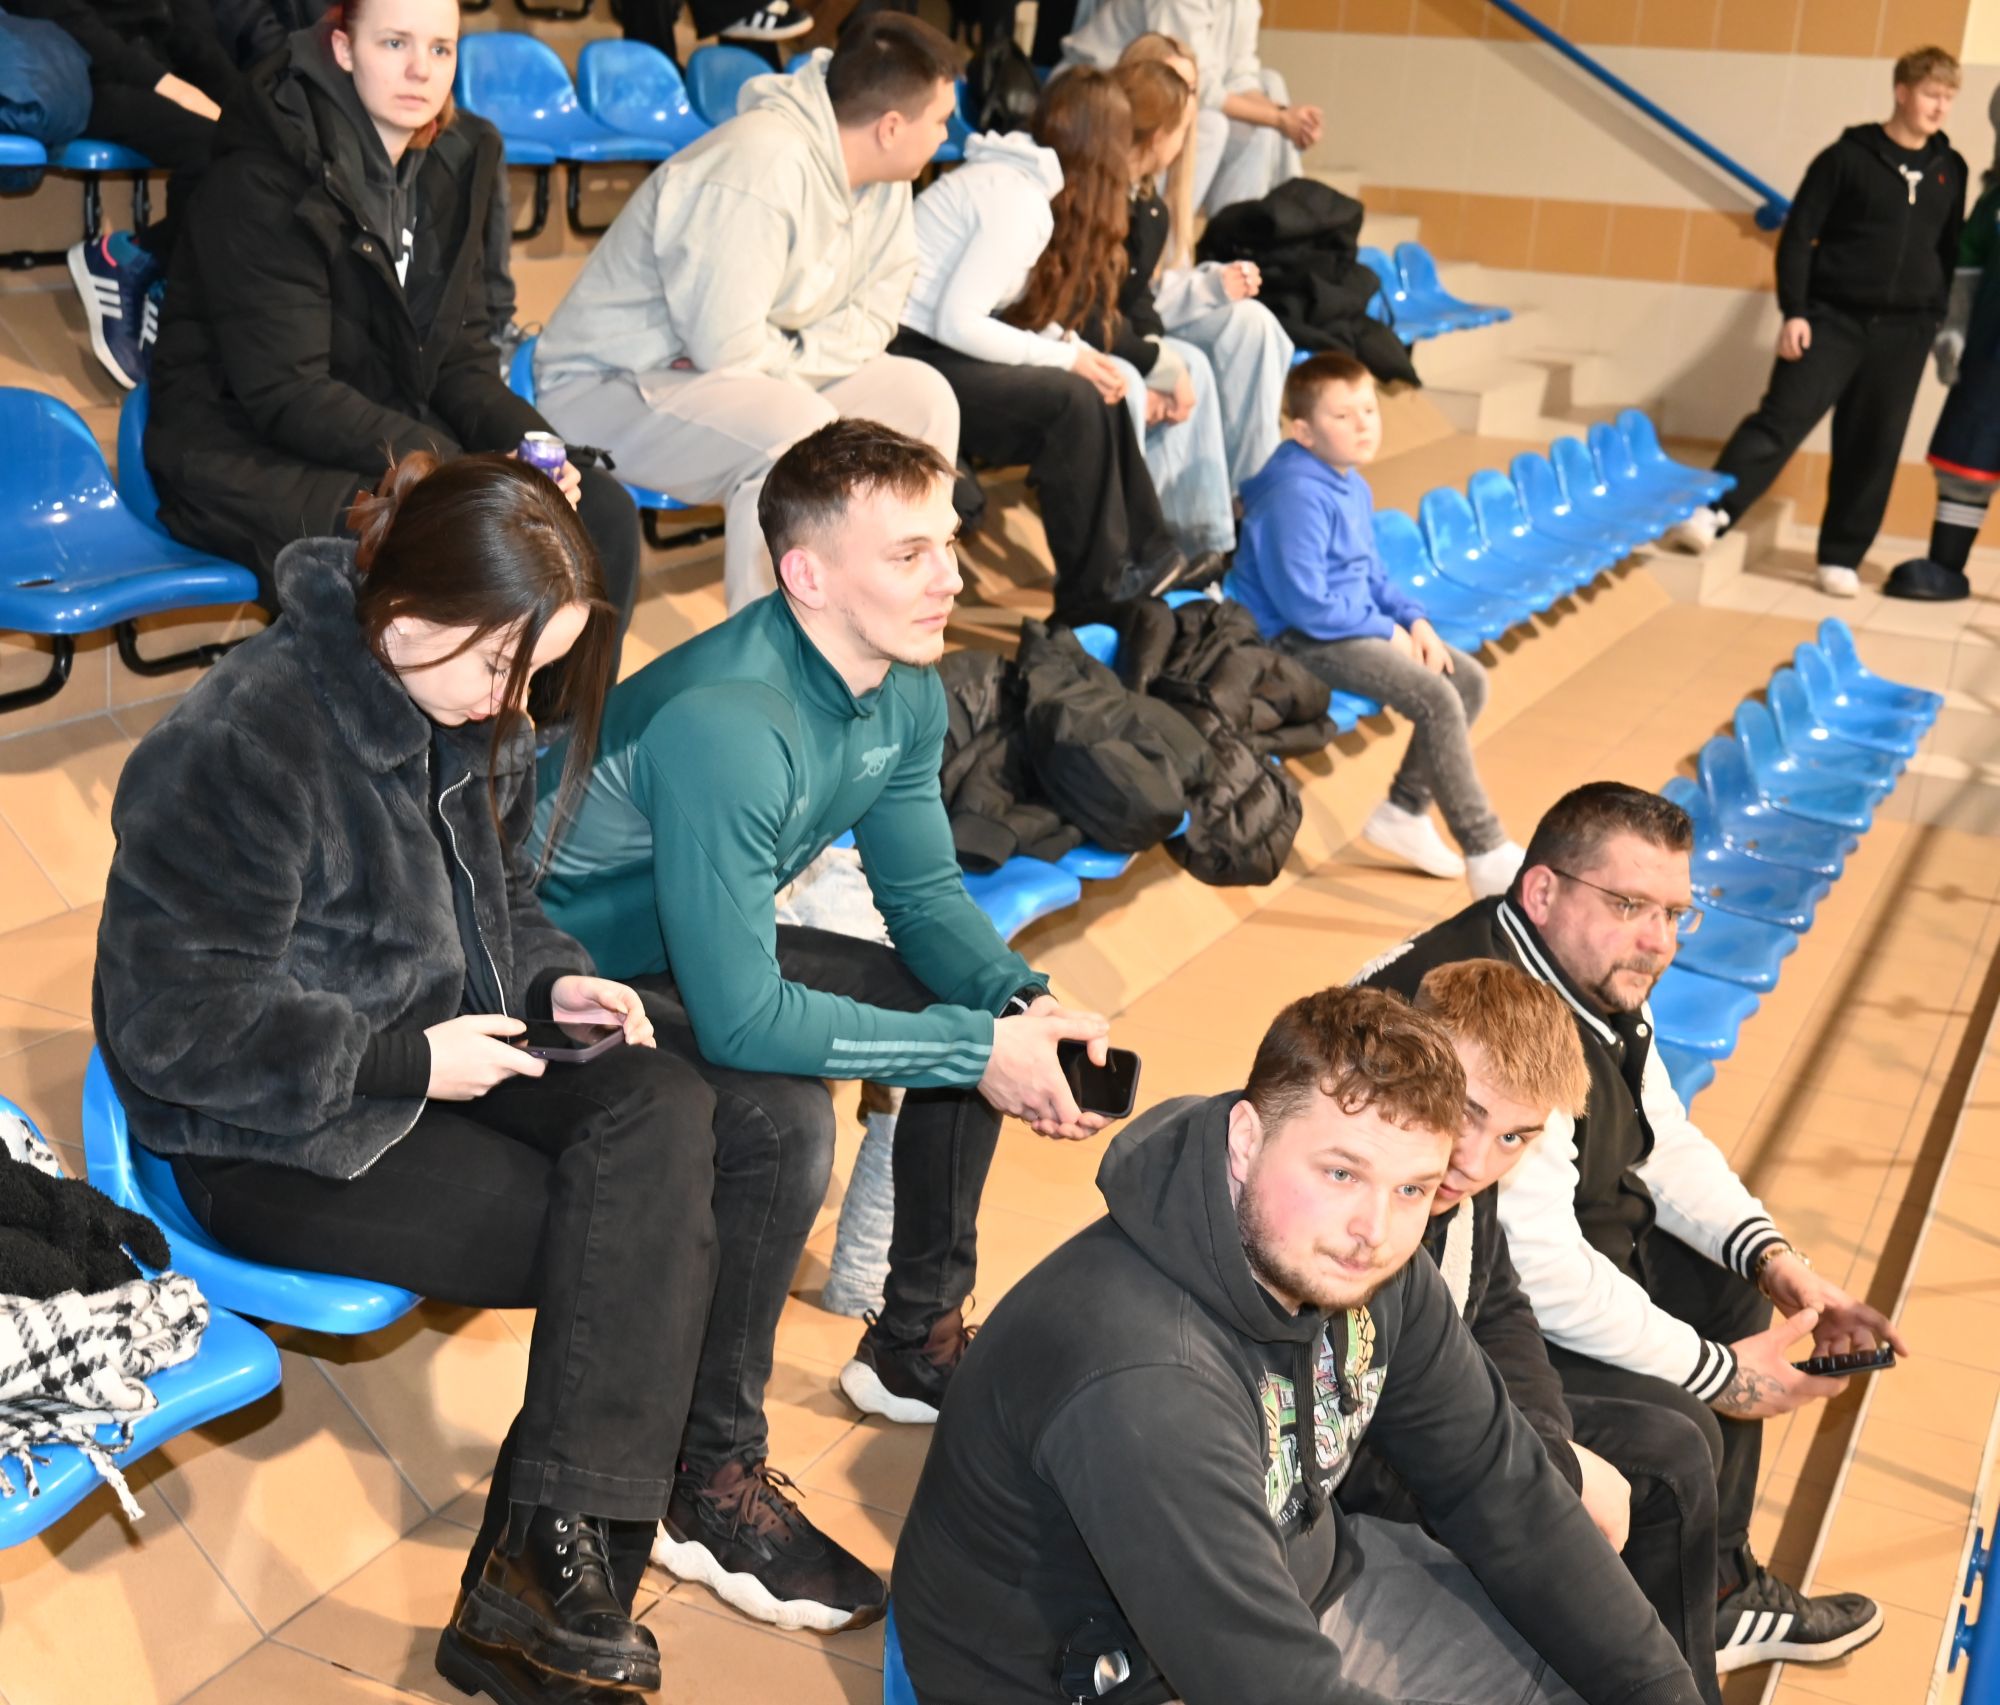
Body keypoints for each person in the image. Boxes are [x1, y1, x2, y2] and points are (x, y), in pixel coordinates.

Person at [92, 452, 720, 1705]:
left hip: (444, 1053)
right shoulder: (245, 738)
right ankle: (546, 1586)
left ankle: (545, 1572)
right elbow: (171, 1024)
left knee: (681, 1112)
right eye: (503, 668)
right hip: (268, 1130)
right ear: (413, 615)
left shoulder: (462, 702)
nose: (515, 702)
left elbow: (505, 901)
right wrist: (405, 1060)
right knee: (633, 1238)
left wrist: (552, 981)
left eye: (533, 676)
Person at [526, 418, 1118, 1628]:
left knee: (961, 1002)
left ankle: (911, 1338)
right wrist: (976, 1052)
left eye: (946, 544)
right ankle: (702, 1475)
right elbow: (743, 1021)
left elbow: (922, 897)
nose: (950, 576)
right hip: (560, 982)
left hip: (690, 948)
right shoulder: (729, 719)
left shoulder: (901, 684)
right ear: (805, 574)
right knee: (784, 1124)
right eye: (908, 554)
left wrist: (1015, 1001)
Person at [893, 982, 1707, 1704]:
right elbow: (1265, 1683)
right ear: (1245, 1140)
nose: (1375, 1229)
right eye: (1340, 1173)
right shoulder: (1145, 1373)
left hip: (1298, 1586)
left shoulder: (1374, 1268)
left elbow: (1503, 1489)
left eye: (1413, 1187)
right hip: (1092, 1677)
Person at [1355, 781, 1900, 1676]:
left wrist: (1776, 1259)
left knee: (1727, 1280)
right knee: (1676, 1431)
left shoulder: (1585, 971)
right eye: (1628, 905)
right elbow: (1534, 1271)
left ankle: (1716, 1593)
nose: (1660, 940)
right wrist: (1720, 1374)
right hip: (1423, 1312)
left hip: (1505, 1278)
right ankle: (1644, 1635)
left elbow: (1662, 1137)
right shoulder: (1485, 1028)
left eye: (1674, 913)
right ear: (1542, 891)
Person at [143, 0, 641, 645]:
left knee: (599, 512)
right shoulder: (266, 170)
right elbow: (288, 393)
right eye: (394, 43)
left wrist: (543, 453)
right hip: (241, 451)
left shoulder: (455, 160)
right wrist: (459, 470)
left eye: (440, 49)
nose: (420, 71)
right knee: (449, 541)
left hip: (377, 435)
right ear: (344, 49)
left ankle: (552, 713)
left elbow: (459, 360)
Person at [1338, 959, 1725, 1702]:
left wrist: (1548, 1449)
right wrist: (1547, 1478)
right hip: (1369, 1480)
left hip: (1460, 1436)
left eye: (1516, 1136)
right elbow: (1357, 1446)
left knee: (1674, 1452)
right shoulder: (1366, 1212)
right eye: (1467, 1111)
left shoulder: (1463, 1188)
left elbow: (1503, 1317)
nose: (1477, 1159)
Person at [533, 13, 964, 612]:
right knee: (796, 434)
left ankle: (892, 609)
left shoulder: (886, 180)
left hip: (739, 371)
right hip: (607, 385)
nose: (946, 135)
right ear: (891, 127)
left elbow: (877, 315)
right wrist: (798, 358)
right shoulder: (756, 165)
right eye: (940, 120)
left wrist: (794, 357)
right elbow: (726, 348)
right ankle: (770, 653)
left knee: (923, 399)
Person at [891, 67, 1203, 613]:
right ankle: (1095, 594)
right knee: (1072, 401)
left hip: (934, 343)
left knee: (1098, 384)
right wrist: (1066, 357)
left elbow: (1003, 312)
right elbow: (958, 322)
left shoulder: (1028, 187)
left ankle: (1151, 553)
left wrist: (1075, 351)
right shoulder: (1018, 198)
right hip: (905, 353)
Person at [1667, 45, 1967, 599]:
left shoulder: (1951, 169)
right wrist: (1796, 311)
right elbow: (1800, 237)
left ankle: (1840, 556)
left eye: (1949, 97)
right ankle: (1712, 511)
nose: (1940, 107)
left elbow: (1947, 250)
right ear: (1902, 91)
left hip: (1904, 332)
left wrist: (1935, 317)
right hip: (1833, 319)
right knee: (1779, 420)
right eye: (1931, 94)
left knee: (1873, 444)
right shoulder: (1845, 158)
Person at [1231, 353, 1524, 896]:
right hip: (1292, 640)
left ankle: (1403, 811)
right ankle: (1485, 849)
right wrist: (1383, 629)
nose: (1364, 425)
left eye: (1368, 409)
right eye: (1343, 416)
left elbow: (1371, 576)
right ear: (1303, 432)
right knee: (1436, 697)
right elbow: (1304, 606)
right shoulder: (1295, 494)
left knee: (1467, 680)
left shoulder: (1349, 482)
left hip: (1341, 625)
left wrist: (1413, 620)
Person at [10, 0, 246, 387]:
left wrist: (245, 106)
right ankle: (144, 263)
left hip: (153, 69)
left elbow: (192, 29)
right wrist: (168, 86)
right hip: (77, 74)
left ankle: (145, 267)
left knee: (256, 146)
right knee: (210, 150)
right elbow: (63, 18)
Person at [1118, 31, 1293, 489]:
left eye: (1192, 90)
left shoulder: (1173, 170)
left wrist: (1213, 281)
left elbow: (1160, 281)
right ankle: (1216, 507)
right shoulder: (1118, 175)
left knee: (1255, 322)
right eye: (1172, 84)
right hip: (1121, 325)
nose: (1185, 101)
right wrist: (1208, 289)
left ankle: (1252, 490)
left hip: (1154, 315)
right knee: (1193, 360)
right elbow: (1128, 293)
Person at [1061, 0, 1319, 214]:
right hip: (1096, 91)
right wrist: (1279, 118)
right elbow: (1196, 85)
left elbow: (1240, 77)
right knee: (1209, 125)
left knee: (1264, 115)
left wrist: (1287, 117)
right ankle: (1167, 242)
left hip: (1165, 94)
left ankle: (1238, 243)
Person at [1886, 169, 2000, 600]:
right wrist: (1954, 328)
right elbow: (1968, 265)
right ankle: (1946, 566)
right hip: (1991, 354)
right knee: (1968, 453)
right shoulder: (1996, 203)